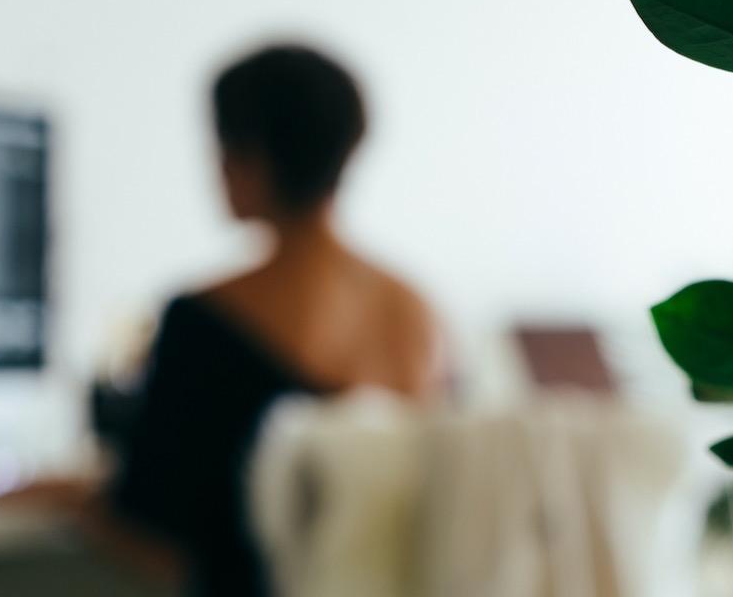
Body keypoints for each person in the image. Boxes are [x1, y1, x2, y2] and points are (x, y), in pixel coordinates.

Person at [33, 44, 437, 596]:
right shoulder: (413, 311)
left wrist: (68, 498)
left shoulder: (203, 319)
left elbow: (152, 535)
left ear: (251, 157)